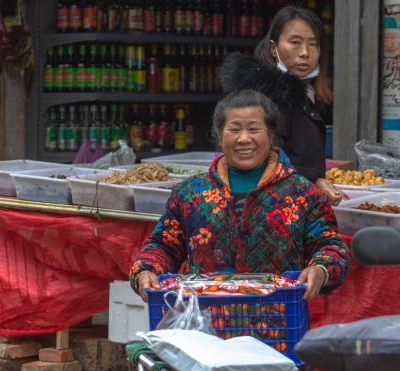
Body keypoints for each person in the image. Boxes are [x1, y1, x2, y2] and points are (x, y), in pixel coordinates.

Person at [131, 89, 349, 304]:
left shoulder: (303, 194)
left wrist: (321, 269)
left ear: (271, 134)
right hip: (203, 322)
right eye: (234, 129)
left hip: (276, 323)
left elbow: (329, 246)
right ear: (219, 135)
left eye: (254, 129)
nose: (244, 139)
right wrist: (146, 271)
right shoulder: (191, 193)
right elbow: (163, 246)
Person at [219, 6, 343, 205]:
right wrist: (314, 182)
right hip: (269, 213)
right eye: (295, 42)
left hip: (298, 207)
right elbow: (261, 162)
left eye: (314, 44)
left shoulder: (305, 96)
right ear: (272, 48)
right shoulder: (264, 101)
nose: (305, 53)